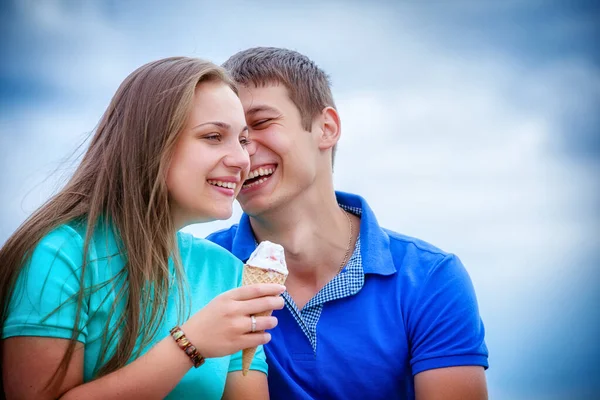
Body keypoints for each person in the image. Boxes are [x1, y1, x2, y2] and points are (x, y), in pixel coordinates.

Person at [207, 47, 489, 399]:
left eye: (261, 123)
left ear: (326, 128)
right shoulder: (195, 272)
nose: (241, 152)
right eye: (224, 136)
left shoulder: (431, 278)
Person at [0, 57, 285, 400]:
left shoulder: (228, 273)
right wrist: (189, 344)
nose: (242, 160)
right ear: (150, 141)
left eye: (241, 140)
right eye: (213, 136)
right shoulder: (60, 254)